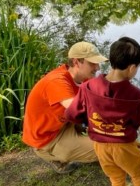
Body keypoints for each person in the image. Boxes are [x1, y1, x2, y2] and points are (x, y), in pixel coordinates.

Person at [64, 36, 140, 186]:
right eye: (138, 67)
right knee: (138, 173)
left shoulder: (88, 86)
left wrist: (93, 120)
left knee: (115, 175)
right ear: (132, 67)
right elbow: (136, 120)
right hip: (124, 146)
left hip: (100, 145)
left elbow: (72, 114)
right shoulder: (134, 94)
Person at [22, 41, 108, 174]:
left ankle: (78, 145)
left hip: (63, 124)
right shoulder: (57, 82)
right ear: (76, 62)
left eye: (97, 63)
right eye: (92, 63)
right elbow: (79, 109)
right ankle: (52, 155)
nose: (97, 67)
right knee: (111, 148)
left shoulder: (83, 78)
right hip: (48, 138)